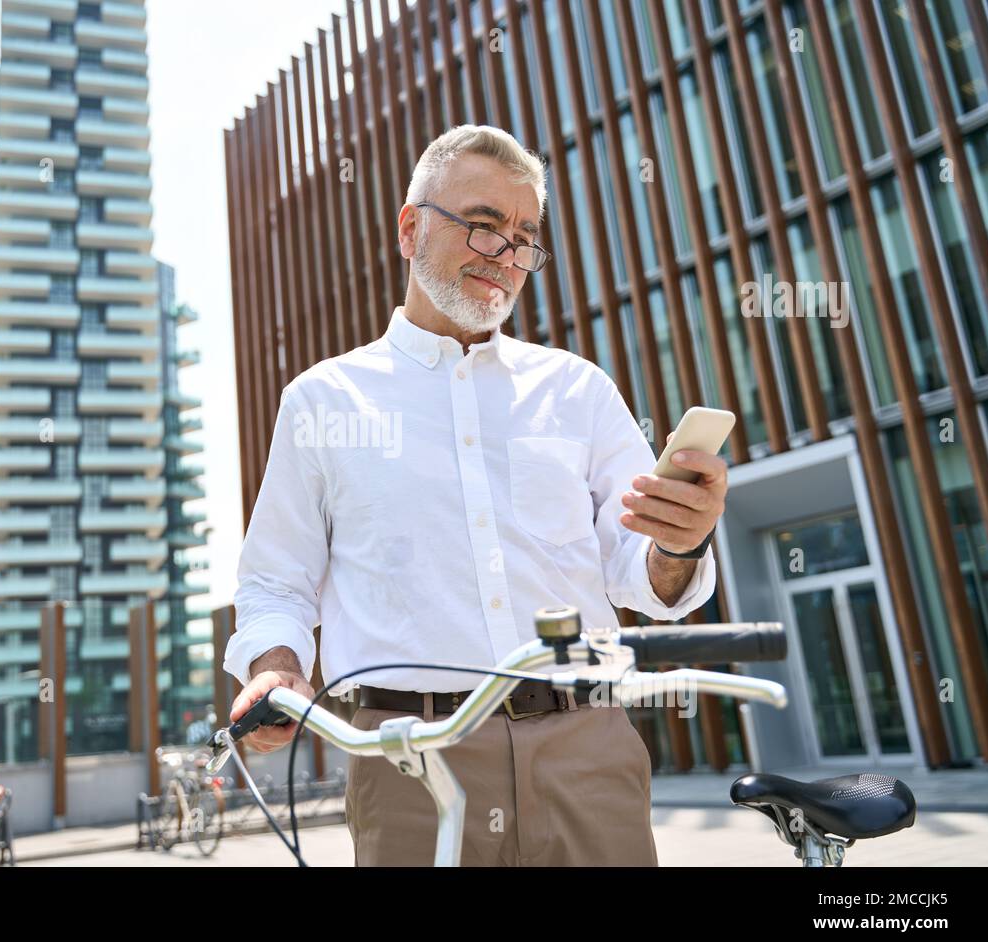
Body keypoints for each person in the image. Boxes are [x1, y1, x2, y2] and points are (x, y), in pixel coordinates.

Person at [223, 125, 728, 866]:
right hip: (411, 769)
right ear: (410, 228)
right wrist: (275, 667)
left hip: (588, 753)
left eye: (525, 237)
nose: (508, 258)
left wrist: (681, 543)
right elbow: (275, 580)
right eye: (485, 227)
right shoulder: (322, 402)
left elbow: (645, 577)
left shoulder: (578, 390)